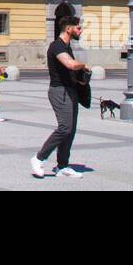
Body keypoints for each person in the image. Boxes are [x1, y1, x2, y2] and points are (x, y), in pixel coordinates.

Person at [31, 15, 89, 179]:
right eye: (78, 27)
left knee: (70, 130)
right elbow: (70, 64)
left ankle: (62, 166)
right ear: (69, 29)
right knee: (65, 128)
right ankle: (38, 158)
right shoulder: (56, 46)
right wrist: (83, 64)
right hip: (59, 91)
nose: (80, 30)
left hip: (70, 91)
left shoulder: (66, 46)